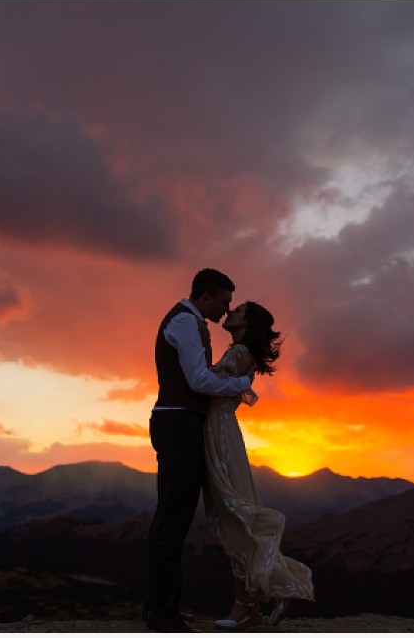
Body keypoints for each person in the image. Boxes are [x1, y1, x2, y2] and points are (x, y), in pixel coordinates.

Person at [145, 268, 254, 633]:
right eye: (224, 301)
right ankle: (162, 614)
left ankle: (163, 606)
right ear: (206, 296)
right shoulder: (183, 324)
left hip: (181, 422)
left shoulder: (188, 323)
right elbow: (198, 379)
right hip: (178, 424)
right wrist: (242, 384)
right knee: (172, 519)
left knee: (172, 517)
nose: (227, 309)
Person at [203, 301, 315, 630]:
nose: (230, 313)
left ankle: (247, 606)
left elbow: (203, 384)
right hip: (222, 432)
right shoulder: (239, 352)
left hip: (220, 434)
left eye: (236, 311)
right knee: (232, 519)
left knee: (234, 519)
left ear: (247, 322)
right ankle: (262, 595)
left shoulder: (238, 353)